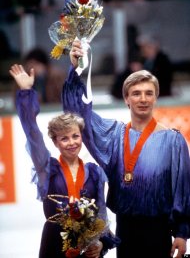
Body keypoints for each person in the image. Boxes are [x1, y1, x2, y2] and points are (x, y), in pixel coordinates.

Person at [61, 39, 190, 258]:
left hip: (159, 232)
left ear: (156, 98)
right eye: (136, 93)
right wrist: (75, 69)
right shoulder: (113, 135)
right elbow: (78, 115)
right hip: (125, 231)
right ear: (126, 99)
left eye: (149, 93)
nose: (143, 99)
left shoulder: (173, 141)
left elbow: (183, 191)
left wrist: (181, 233)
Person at [9, 64, 119, 258]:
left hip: (87, 247)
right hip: (54, 243)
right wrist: (26, 92)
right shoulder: (47, 168)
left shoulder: (94, 172)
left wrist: (101, 244)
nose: (71, 143)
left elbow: (101, 215)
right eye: (64, 138)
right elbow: (32, 134)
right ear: (55, 142)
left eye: (75, 136)